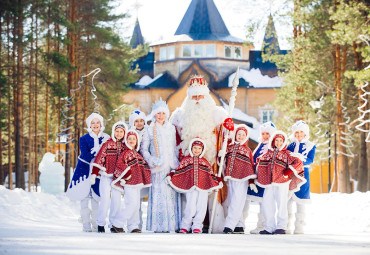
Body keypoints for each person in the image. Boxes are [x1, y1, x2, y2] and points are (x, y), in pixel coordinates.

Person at [170, 75, 234, 233]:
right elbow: (173, 137)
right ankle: (185, 224)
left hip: (210, 162)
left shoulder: (217, 113)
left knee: (208, 196)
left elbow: (227, 134)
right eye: (194, 96)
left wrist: (228, 127)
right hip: (187, 164)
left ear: (206, 96)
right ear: (189, 97)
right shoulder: (179, 115)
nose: (197, 99)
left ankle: (210, 225)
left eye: (200, 96)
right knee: (188, 197)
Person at [166, 138, 223, 234]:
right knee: (190, 206)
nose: (196, 150)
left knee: (201, 206)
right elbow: (179, 171)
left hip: (203, 187)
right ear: (191, 148)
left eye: (199, 148)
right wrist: (171, 175)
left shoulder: (205, 162)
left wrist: (218, 180)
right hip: (190, 187)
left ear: (202, 150)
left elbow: (210, 174)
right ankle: (185, 226)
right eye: (195, 148)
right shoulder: (186, 160)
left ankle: (197, 226)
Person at [141, 99, 181, 233]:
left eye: (163, 113)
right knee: (159, 194)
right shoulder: (149, 129)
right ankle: (158, 225)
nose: (161, 116)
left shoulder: (171, 128)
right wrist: (151, 160)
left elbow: (174, 147)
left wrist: (176, 161)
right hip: (157, 167)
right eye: (158, 113)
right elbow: (144, 149)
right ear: (154, 114)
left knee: (170, 195)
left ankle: (171, 225)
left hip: (170, 166)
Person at [66, 113, 110, 232]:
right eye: (93, 123)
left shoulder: (106, 137)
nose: (95, 125)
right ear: (89, 125)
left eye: (97, 122)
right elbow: (85, 155)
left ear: (101, 124)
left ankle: (96, 224)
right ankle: (85, 224)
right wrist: (96, 152)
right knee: (84, 196)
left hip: (99, 170)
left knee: (96, 196)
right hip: (84, 169)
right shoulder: (84, 139)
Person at [256, 131, 306, 235]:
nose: (278, 143)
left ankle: (281, 227)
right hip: (269, 182)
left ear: (284, 142)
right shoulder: (268, 153)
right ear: (273, 141)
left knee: (282, 204)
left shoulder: (287, 154)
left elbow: (298, 163)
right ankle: (269, 227)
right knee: (267, 204)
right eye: (277, 140)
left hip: (282, 182)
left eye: (281, 141)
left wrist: (288, 171)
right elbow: (259, 162)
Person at [90, 121, 128, 233]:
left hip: (117, 178)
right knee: (105, 200)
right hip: (106, 176)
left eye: (121, 131)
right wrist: (94, 173)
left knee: (116, 201)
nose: (119, 133)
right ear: (113, 132)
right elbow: (99, 158)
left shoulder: (126, 146)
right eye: (117, 131)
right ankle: (101, 224)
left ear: (124, 133)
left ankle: (114, 224)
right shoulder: (107, 144)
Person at [111, 130, 152, 233]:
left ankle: (133, 225)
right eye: (129, 138)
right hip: (129, 183)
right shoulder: (125, 153)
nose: (131, 140)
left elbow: (144, 166)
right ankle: (117, 223)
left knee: (137, 205)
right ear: (126, 140)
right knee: (131, 204)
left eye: (134, 139)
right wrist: (126, 175)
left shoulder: (137, 154)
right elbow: (119, 164)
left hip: (137, 183)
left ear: (137, 141)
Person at [222, 124, 257, 234]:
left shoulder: (247, 150)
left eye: (243, 135)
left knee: (237, 202)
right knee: (233, 201)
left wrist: (251, 181)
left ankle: (229, 225)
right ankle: (239, 225)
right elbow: (224, 158)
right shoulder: (230, 147)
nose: (240, 136)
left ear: (246, 137)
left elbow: (251, 165)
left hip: (242, 179)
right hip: (231, 177)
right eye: (239, 134)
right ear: (235, 135)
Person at [244, 121, 276, 234]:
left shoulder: (272, 146)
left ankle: (262, 225)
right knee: (254, 200)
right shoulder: (261, 144)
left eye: (268, 134)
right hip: (257, 176)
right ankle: (242, 223)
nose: (265, 136)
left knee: (264, 202)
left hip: (266, 177)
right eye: (264, 134)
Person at [286, 120, 316, 234]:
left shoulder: (311, 146)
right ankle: (286, 225)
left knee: (301, 202)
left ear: (305, 133)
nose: (298, 135)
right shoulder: (291, 145)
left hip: (303, 176)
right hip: (291, 175)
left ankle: (299, 226)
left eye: (301, 132)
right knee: (287, 201)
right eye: (296, 132)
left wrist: (299, 158)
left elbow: (310, 160)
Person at [128, 109, 149, 230]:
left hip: (143, 166)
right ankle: (133, 223)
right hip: (132, 166)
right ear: (133, 122)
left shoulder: (148, 132)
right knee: (133, 198)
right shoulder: (130, 134)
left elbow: (146, 149)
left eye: (142, 121)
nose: (140, 123)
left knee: (140, 196)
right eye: (137, 121)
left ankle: (139, 224)